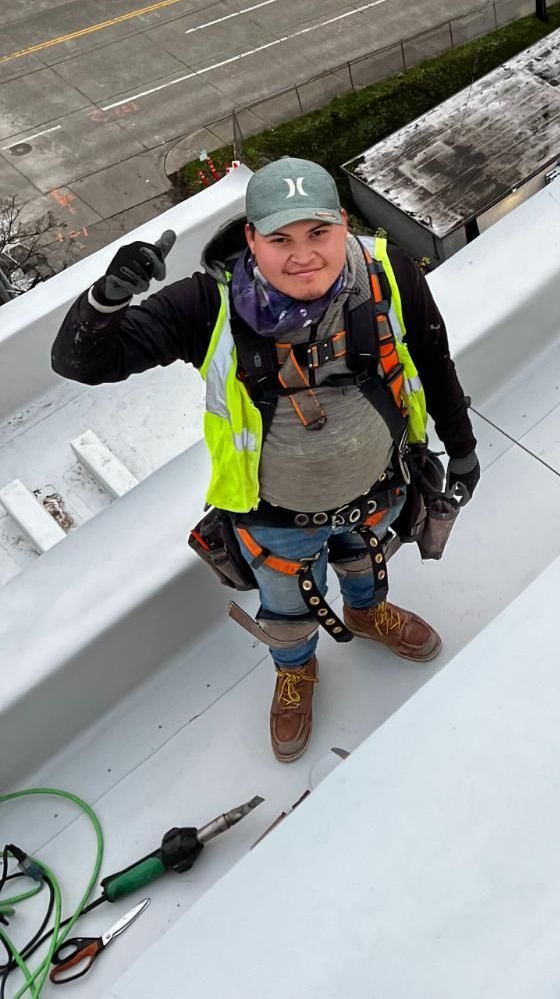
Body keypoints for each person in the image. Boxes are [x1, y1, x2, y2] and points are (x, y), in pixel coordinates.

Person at [51, 158, 479, 764]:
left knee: (367, 560)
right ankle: (296, 671)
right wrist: (107, 298)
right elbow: (82, 363)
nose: (303, 255)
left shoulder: (387, 273)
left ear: (341, 225)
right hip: (275, 517)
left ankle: (365, 612)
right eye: (280, 238)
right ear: (251, 239)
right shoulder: (207, 305)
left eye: (318, 233)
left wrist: (462, 450)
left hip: (380, 486)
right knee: (286, 610)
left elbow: (433, 358)